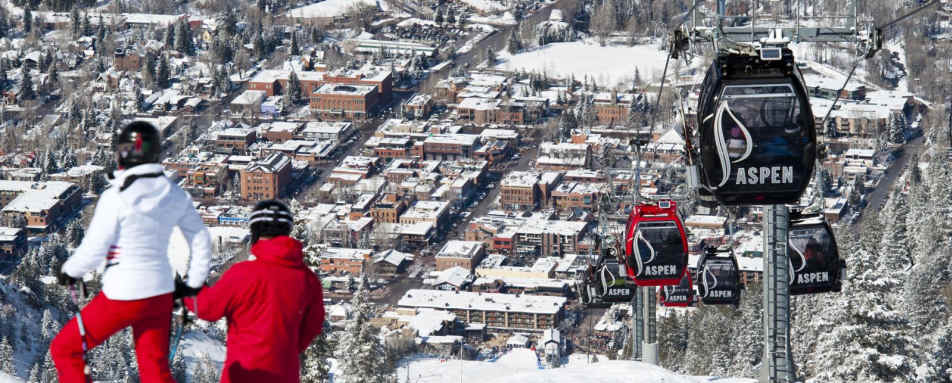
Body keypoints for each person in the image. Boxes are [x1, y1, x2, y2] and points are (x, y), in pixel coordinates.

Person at [51, 121, 212, 383]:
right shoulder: (174, 194)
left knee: (65, 348)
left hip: (122, 293)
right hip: (159, 291)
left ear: (124, 154)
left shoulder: (116, 196)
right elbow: (199, 237)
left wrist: (71, 271)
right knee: (154, 370)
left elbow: (95, 247)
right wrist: (193, 283)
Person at [179, 200, 325, 383]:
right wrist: (286, 349)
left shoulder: (243, 274)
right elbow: (312, 326)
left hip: (243, 374)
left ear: (255, 233)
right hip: (284, 374)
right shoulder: (308, 281)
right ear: (287, 231)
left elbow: (208, 308)